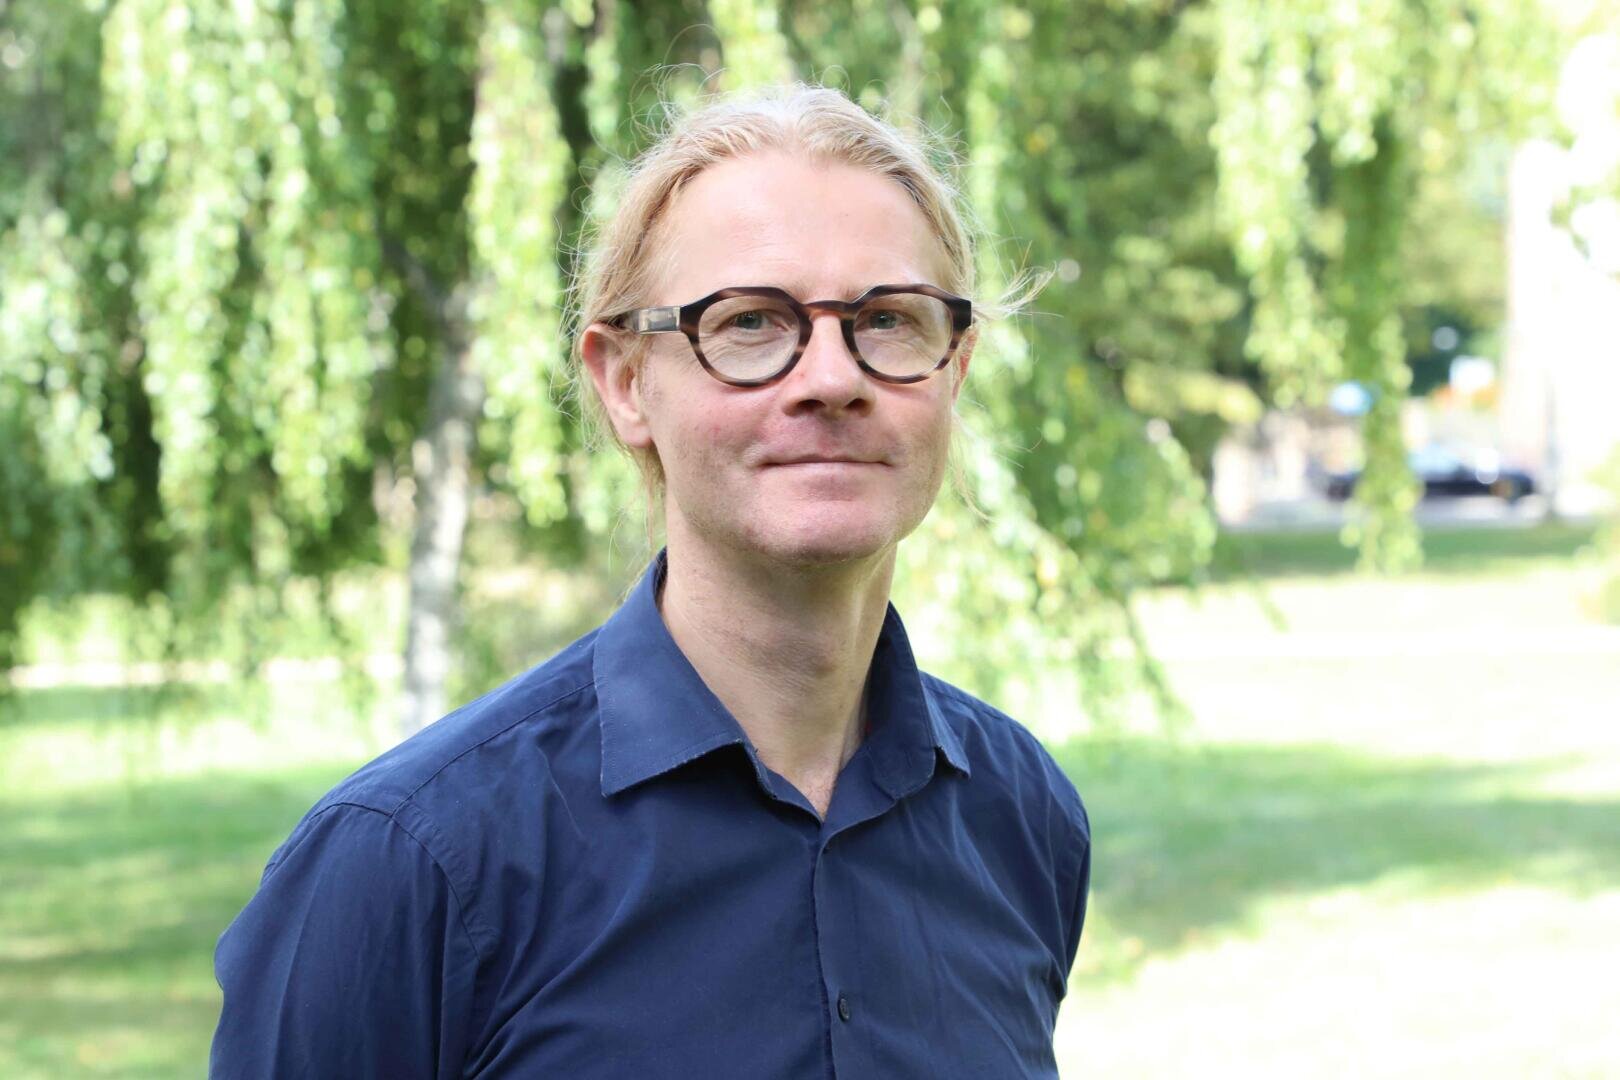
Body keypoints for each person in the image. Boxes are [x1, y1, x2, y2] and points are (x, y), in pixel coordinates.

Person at [211, 83, 1090, 1079]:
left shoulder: (1021, 817)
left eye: (888, 319)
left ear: (955, 369)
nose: (832, 376)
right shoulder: (412, 865)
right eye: (751, 323)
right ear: (627, 384)